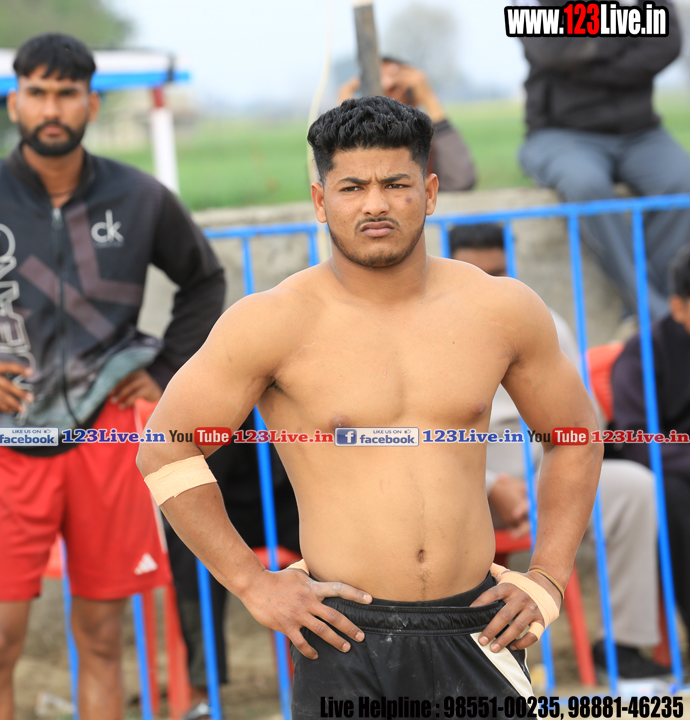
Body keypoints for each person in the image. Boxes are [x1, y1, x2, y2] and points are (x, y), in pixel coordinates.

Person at [136, 96, 602, 712]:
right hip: (343, 635)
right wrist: (252, 584)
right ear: (320, 200)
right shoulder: (272, 322)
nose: (375, 204)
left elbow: (576, 436)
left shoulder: (500, 308)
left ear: (429, 193)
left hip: (479, 626)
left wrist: (547, 577)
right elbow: (164, 448)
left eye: (396, 184)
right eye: (352, 187)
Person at [0, 33, 225, 720]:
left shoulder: (139, 197)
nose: (51, 108)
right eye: (37, 93)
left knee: (103, 639)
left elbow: (204, 281)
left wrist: (164, 369)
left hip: (108, 443)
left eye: (66, 94)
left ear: (91, 103)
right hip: (14, 443)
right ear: (14, 102)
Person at [451, 223, 667, 680]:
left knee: (634, 488)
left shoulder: (540, 320)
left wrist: (546, 498)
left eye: (498, 272)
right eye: (476, 272)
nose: (488, 284)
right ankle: (461, 660)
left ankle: (625, 651)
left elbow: (582, 428)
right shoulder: (424, 330)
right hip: (457, 486)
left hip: (541, 474)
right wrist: (489, 488)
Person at [516, 0, 690, 320]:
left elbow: (667, 44)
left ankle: (659, 310)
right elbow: (553, 51)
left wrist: (586, 51)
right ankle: (654, 315)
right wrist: (629, 34)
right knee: (585, 184)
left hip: (641, 131)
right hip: (559, 132)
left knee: (683, 180)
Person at [165, 411, 299, 720]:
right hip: (221, 504)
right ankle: (203, 692)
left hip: (289, 501)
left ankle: (329, 677)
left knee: (333, 542)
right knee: (192, 552)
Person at [611, 242, 690, 644]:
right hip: (675, 474)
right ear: (678, 307)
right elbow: (637, 439)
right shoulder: (644, 352)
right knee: (671, 496)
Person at [338, 57, 476, 192]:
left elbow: (461, 181)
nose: (386, 100)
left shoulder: (425, 139)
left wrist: (429, 100)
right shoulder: (358, 141)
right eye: (378, 89)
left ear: (413, 97)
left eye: (394, 88)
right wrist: (347, 117)